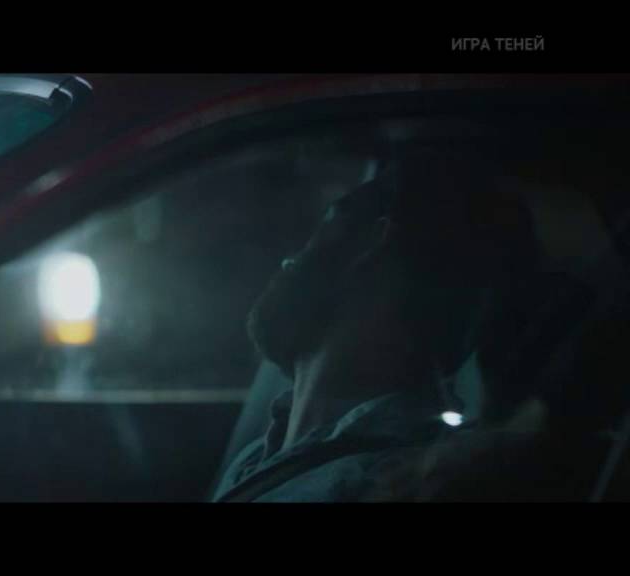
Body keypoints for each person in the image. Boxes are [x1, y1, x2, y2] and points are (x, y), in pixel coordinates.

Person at [213, 143, 545, 502]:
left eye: (329, 221)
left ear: (371, 243)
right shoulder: (260, 455)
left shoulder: (392, 484)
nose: (289, 259)